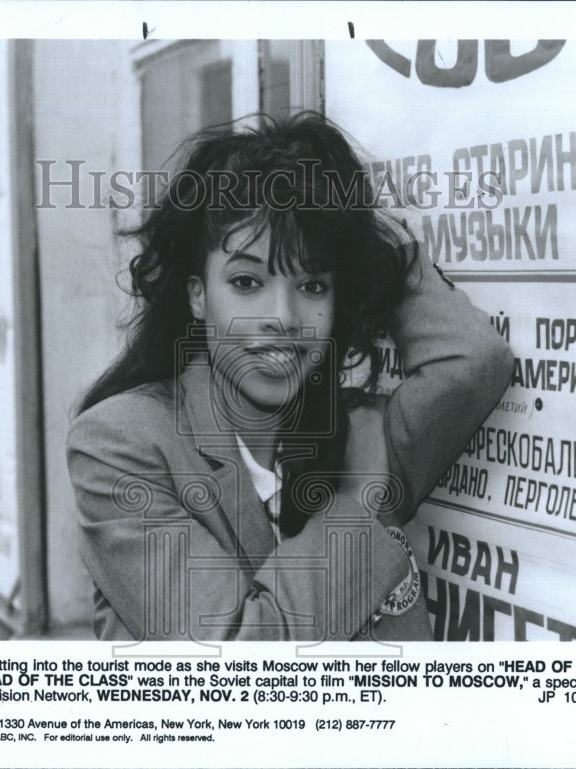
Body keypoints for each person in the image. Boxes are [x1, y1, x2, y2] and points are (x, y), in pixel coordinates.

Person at [67, 113, 513, 641]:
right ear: (197, 295)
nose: (283, 318)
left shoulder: (361, 431)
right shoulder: (121, 445)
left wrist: (369, 241)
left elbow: (473, 361)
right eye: (247, 281)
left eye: (313, 285)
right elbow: (237, 658)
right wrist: (357, 505)